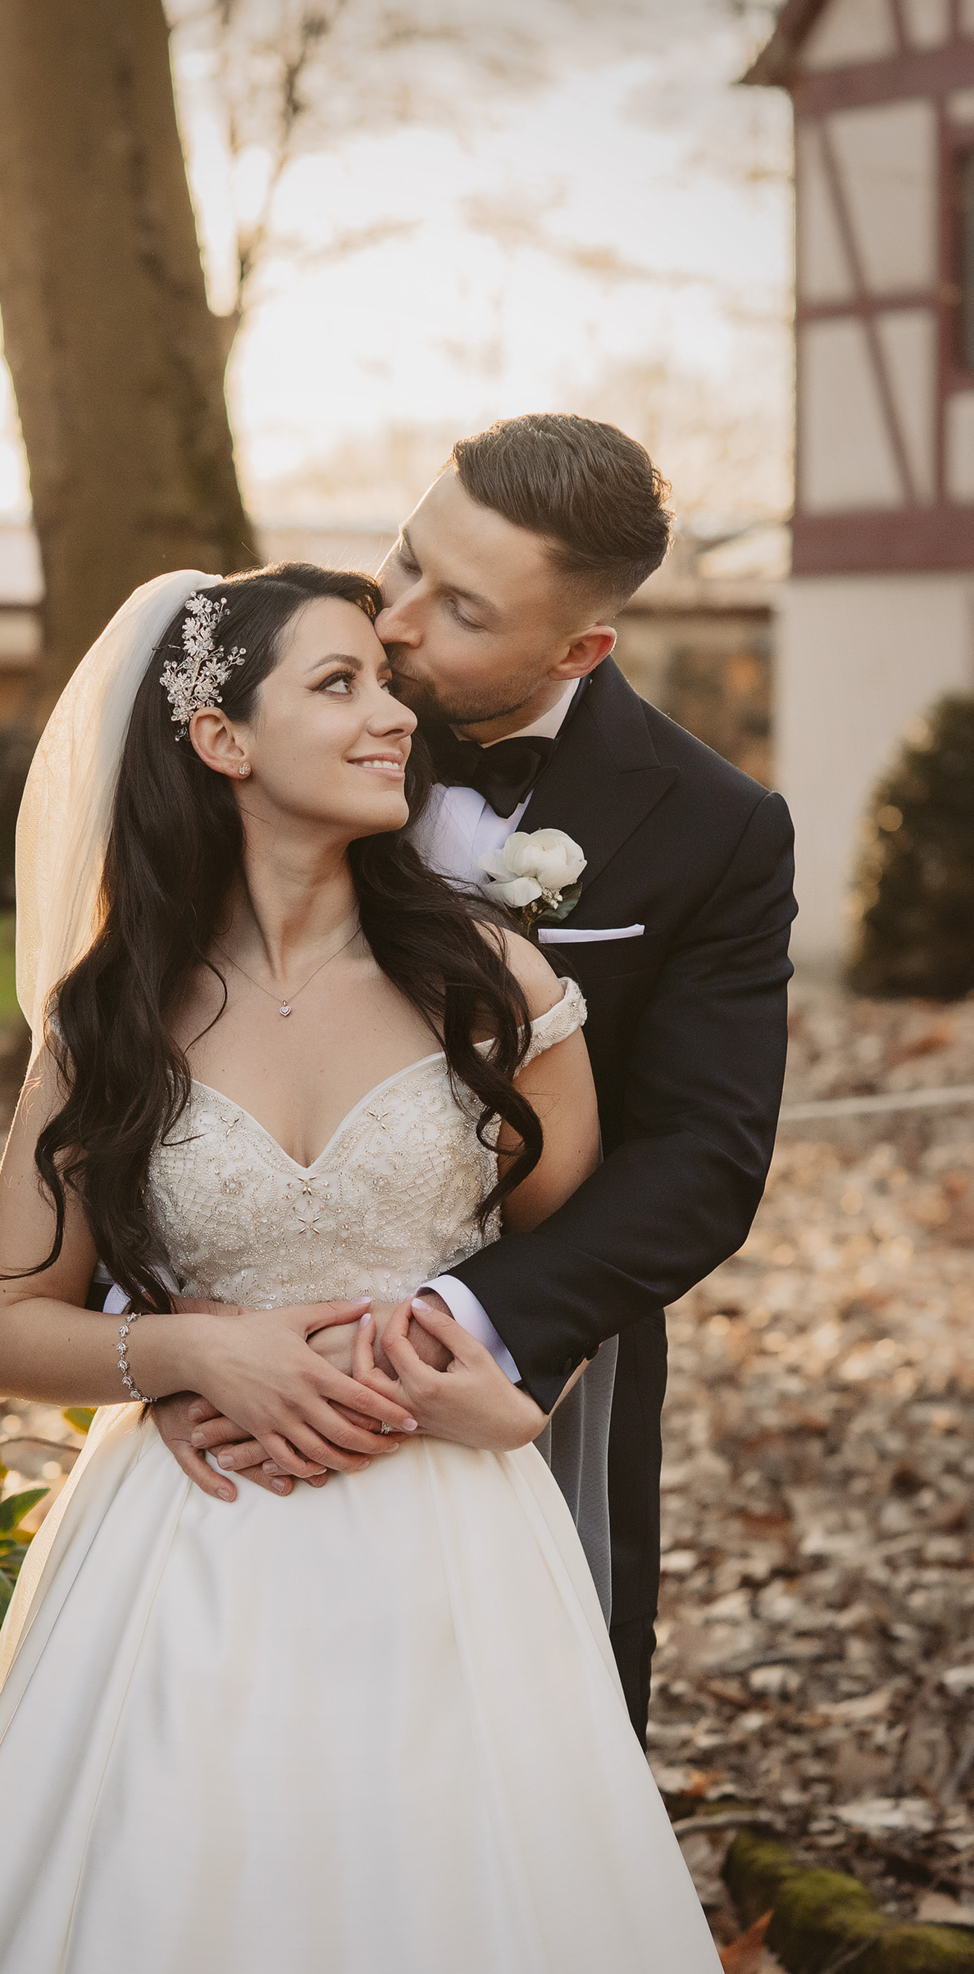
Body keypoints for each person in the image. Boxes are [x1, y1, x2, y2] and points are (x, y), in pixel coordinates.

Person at [0, 560, 735, 1974]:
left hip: (449, 1544)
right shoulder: (111, 1016)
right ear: (220, 741)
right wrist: (194, 1359)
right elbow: (3, 1327)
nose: (389, 713)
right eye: (337, 685)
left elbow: (574, 1274)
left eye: (383, 683)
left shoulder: (495, 988)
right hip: (190, 1549)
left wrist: (515, 1405)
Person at [153, 414, 797, 1741]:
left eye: (457, 610)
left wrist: (459, 1334)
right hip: (230, 1373)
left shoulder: (717, 829)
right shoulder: (280, 706)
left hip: (523, 1358)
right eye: (401, 562)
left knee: (528, 1748)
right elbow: (135, 1036)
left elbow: (702, 1156)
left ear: (579, 651)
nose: (389, 625)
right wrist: (169, 1328)